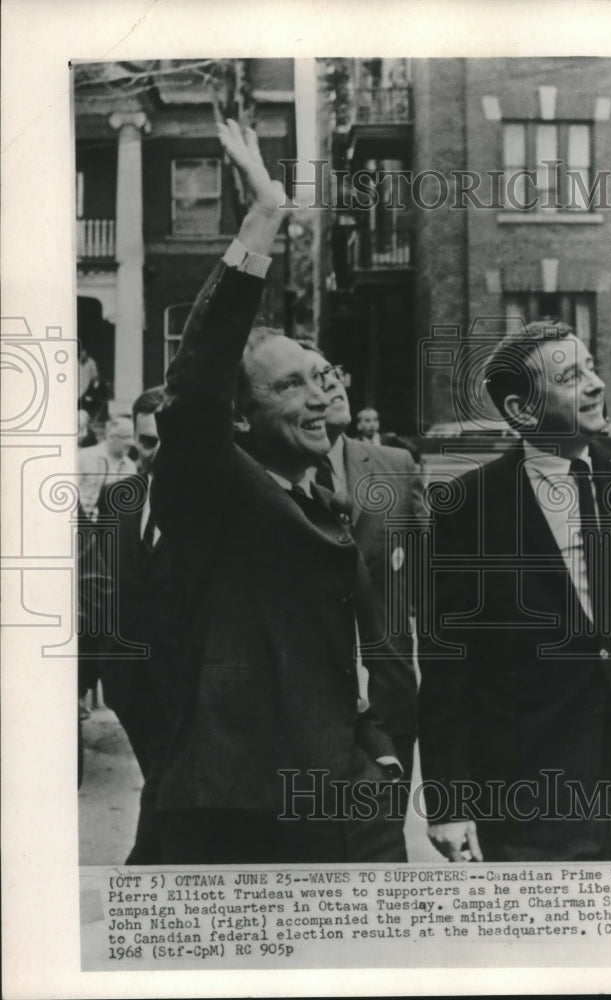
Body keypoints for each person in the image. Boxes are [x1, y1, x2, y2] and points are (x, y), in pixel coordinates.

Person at [150, 120, 403, 864]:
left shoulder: (321, 500)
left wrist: (378, 754)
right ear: (241, 416)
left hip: (346, 809)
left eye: (321, 380)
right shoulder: (214, 487)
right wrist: (263, 219)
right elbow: (193, 386)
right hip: (243, 813)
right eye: (289, 386)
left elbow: (335, 656)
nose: (320, 398)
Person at [418, 321, 611, 862]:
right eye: (569, 376)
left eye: (589, 366)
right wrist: (448, 799)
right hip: (525, 785)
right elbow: (448, 662)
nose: (595, 384)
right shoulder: (469, 505)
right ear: (519, 411)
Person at [303, 348, 420, 780]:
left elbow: (431, 588)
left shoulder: (397, 467)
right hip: (303, 714)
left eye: (331, 372)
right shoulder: (262, 479)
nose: (331, 383)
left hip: (390, 706)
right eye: (311, 377)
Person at [94, 387, 181, 862]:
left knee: (167, 793)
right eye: (147, 442)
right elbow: (99, 581)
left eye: (167, 440)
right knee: (161, 784)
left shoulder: (216, 508)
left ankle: (142, 878)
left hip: (191, 688)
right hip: (131, 685)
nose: (157, 453)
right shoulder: (118, 498)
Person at [77, 416, 136, 518]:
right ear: (111, 437)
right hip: (82, 523)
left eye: (132, 437)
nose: (131, 443)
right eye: (126, 437)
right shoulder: (84, 457)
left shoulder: (130, 467)